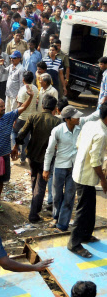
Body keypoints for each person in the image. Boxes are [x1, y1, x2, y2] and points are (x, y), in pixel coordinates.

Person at [0, 85, 35, 212]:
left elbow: (23, 107)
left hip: (4, 156)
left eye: (4, 106)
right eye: (1, 106)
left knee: (0, 180)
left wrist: (30, 96)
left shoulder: (9, 116)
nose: (4, 108)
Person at [44, 105, 99, 231]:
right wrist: (46, 169)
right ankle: (56, 217)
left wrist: (103, 106)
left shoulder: (80, 125)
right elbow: (50, 150)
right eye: (75, 117)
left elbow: (93, 116)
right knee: (57, 196)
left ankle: (62, 224)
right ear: (67, 119)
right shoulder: (57, 130)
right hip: (59, 167)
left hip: (74, 168)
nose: (79, 118)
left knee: (69, 197)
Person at [67, 103, 107, 258]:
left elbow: (78, 144)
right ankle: (74, 243)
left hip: (81, 171)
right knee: (83, 210)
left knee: (90, 206)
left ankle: (85, 235)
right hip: (86, 176)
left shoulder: (90, 125)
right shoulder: (101, 134)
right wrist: (103, 180)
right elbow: (96, 162)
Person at [13, 95, 60, 223]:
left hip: (32, 155)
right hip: (46, 158)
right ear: (54, 108)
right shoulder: (57, 122)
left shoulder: (34, 117)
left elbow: (22, 134)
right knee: (40, 184)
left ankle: (35, 205)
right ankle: (33, 214)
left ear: (42, 105)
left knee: (35, 179)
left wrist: (16, 146)